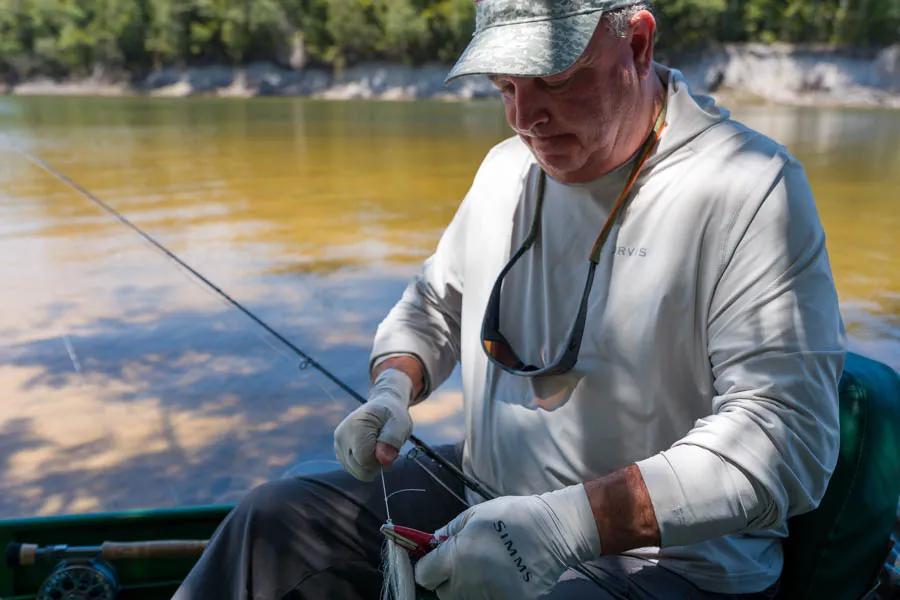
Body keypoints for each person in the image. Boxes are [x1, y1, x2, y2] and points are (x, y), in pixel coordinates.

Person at [174, 1, 845, 598]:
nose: (527, 118)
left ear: (637, 44)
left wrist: (564, 525)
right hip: (483, 498)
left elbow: (789, 440)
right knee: (274, 519)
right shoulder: (506, 169)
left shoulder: (749, 187)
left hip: (667, 566)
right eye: (505, 87)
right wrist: (392, 389)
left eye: (554, 80)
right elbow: (434, 306)